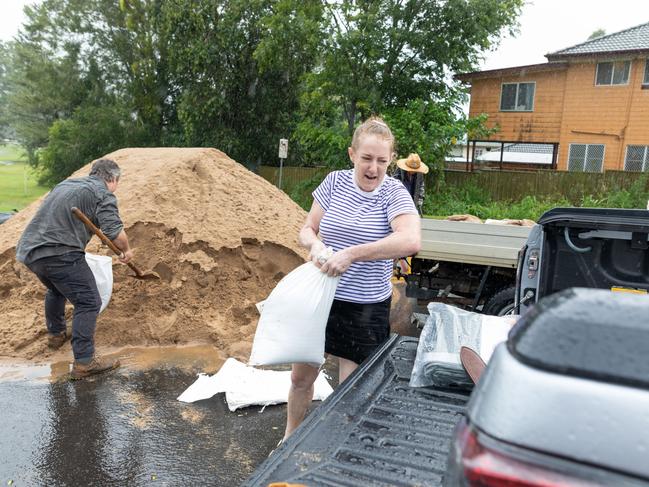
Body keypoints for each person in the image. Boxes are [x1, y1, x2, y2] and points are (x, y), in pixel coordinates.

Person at [284, 117, 421, 440]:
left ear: (390, 161)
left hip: (364, 307)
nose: (373, 168)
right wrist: (316, 246)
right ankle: (289, 439)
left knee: (352, 393)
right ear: (352, 154)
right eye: (366, 158)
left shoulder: (394, 192)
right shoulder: (334, 183)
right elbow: (307, 229)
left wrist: (351, 253)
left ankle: (339, 454)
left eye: (382, 161)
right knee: (300, 380)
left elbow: (411, 241)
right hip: (321, 300)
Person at [16, 158, 133, 379]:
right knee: (89, 301)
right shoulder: (103, 193)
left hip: (30, 251)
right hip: (59, 253)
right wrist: (126, 251)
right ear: (113, 179)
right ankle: (85, 362)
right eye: (118, 181)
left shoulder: (66, 184)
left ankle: (56, 334)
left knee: (57, 289)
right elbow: (114, 232)